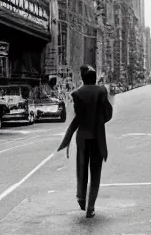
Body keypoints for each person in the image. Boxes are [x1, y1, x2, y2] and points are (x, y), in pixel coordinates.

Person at [57, 64, 113, 218]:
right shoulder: (102, 91)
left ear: (82, 78)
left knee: (82, 170)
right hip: (98, 137)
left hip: (82, 137)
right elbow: (109, 114)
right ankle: (91, 207)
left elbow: (78, 117)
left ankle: (81, 198)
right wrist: (99, 118)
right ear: (95, 78)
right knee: (96, 173)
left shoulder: (77, 94)